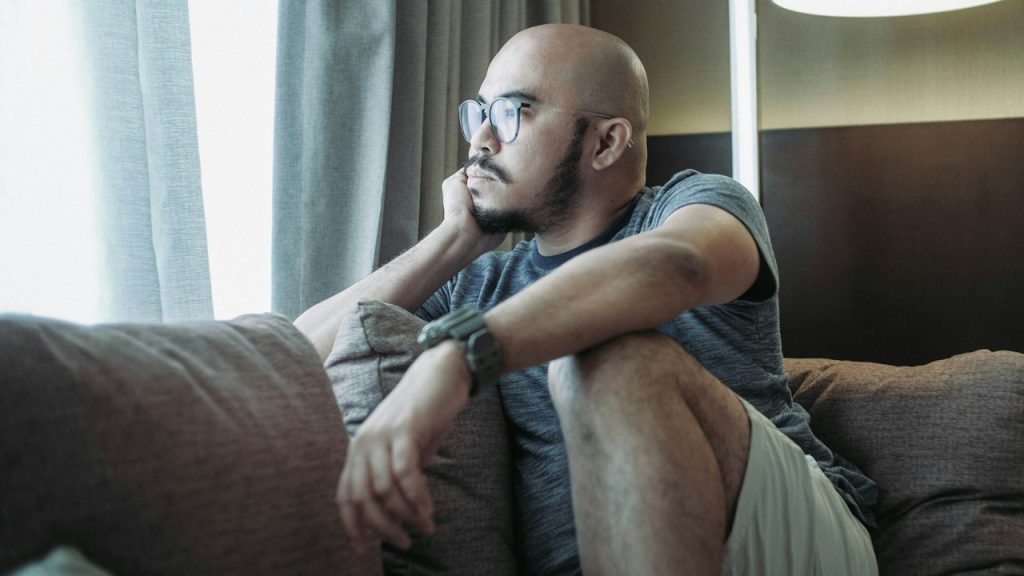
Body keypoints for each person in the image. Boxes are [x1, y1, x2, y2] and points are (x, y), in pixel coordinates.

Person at [295, 23, 878, 576]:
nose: (479, 139)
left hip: (778, 538)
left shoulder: (693, 206)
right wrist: (452, 242)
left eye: (511, 113)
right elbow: (299, 359)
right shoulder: (479, 284)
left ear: (605, 142)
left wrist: (461, 355)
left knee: (603, 362)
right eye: (477, 112)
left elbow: (677, 264)